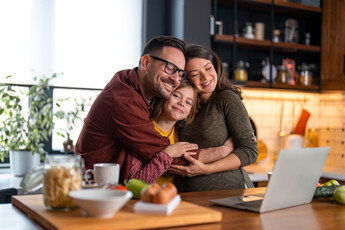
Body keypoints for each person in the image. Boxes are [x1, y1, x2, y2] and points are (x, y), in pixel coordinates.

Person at [75, 36, 232, 184]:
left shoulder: (129, 82)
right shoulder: (124, 101)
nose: (176, 79)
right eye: (170, 68)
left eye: (180, 73)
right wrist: (225, 150)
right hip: (97, 191)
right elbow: (167, 155)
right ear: (146, 62)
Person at [169, 44, 258, 192]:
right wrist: (222, 150)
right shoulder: (182, 106)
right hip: (189, 198)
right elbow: (172, 154)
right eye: (195, 74)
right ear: (186, 78)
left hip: (230, 194)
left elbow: (250, 151)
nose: (205, 77)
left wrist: (206, 169)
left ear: (216, 66)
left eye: (208, 68)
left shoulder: (226, 99)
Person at [129, 81, 198, 184]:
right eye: (176, 96)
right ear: (165, 96)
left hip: (172, 198)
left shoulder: (181, 136)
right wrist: (168, 153)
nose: (182, 103)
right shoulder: (143, 130)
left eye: (188, 102)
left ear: (189, 113)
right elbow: (135, 182)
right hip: (145, 197)